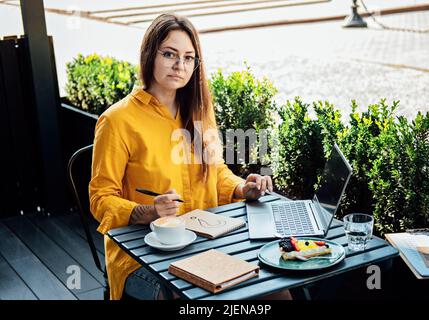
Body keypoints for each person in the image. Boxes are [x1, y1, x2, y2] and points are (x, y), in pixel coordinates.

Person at [89, 13, 290, 300]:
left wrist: (241, 187)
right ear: (149, 55)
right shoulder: (118, 120)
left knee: (275, 290)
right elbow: (100, 198)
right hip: (141, 254)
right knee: (187, 296)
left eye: (188, 57)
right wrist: (147, 212)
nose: (179, 65)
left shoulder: (199, 111)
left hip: (206, 242)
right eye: (169, 54)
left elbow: (216, 171)